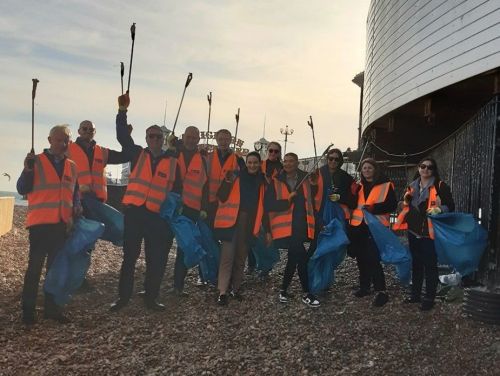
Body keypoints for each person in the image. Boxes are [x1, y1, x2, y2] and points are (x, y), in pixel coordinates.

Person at [110, 92, 177, 312]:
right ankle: (123, 298)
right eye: (152, 136)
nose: (156, 139)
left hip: (156, 217)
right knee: (129, 258)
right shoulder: (137, 153)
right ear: (147, 138)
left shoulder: (171, 161)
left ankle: (151, 298)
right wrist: (122, 111)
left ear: (164, 139)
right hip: (135, 213)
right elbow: (122, 136)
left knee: (155, 260)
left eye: (159, 136)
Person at [17, 124, 80, 324]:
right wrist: (27, 170)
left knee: (55, 271)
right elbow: (22, 188)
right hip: (39, 225)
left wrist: (77, 208)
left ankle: (51, 309)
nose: (63, 143)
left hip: (61, 226)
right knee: (34, 269)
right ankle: (28, 312)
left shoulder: (72, 166)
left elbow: (75, 193)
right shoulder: (35, 161)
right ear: (50, 140)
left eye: (66, 140)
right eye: (59, 139)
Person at [67, 120, 129, 291]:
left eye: (91, 129)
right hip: (77, 202)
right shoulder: (68, 149)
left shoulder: (102, 152)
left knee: (90, 241)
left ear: (95, 132)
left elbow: (125, 155)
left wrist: (125, 136)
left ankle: (80, 278)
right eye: (84, 129)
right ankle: (75, 280)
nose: (87, 131)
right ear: (79, 131)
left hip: (95, 203)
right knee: (79, 240)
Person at [394, 157, 454, 311]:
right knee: (416, 263)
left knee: (430, 265)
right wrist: (403, 204)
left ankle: (429, 298)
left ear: (433, 170)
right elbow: (402, 205)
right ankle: (415, 295)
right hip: (414, 231)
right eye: (423, 166)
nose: (426, 169)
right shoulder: (411, 187)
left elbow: (451, 205)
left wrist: (439, 209)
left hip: (430, 233)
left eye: (429, 167)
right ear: (419, 168)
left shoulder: (440, 186)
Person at [264, 152, 320, 307]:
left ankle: (284, 289)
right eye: (286, 161)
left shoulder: (305, 179)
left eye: (291, 161)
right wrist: (287, 201)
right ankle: (306, 293)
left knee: (294, 257)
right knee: (300, 257)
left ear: (297, 163)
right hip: (285, 227)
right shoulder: (276, 181)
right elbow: (268, 205)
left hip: (301, 224)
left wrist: (314, 185)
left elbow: (310, 198)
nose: (288, 164)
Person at [214, 151, 267, 305]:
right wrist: (227, 181)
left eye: (255, 163)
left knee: (240, 259)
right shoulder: (235, 176)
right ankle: (222, 291)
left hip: (249, 224)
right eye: (249, 162)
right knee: (227, 257)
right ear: (246, 163)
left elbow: (264, 205)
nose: (252, 165)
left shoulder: (262, 182)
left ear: (259, 164)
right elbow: (221, 196)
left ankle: (235, 289)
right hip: (231, 222)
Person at [349, 158, 397, 307]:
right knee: (361, 257)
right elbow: (352, 204)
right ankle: (365, 286)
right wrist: (352, 193)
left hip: (375, 226)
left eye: (369, 168)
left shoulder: (386, 185)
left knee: (373, 258)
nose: (367, 170)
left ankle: (381, 291)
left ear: (375, 169)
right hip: (358, 225)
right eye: (364, 168)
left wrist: (374, 208)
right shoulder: (359, 186)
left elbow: (392, 205)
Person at [170, 126, 209, 296]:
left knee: (184, 248)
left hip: (190, 209)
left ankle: (178, 286)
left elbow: (206, 186)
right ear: (183, 136)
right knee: (162, 246)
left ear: (198, 140)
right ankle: (151, 285)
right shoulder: (173, 152)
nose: (191, 140)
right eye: (189, 136)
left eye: (195, 137)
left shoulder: (203, 159)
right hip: (170, 207)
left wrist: (204, 208)